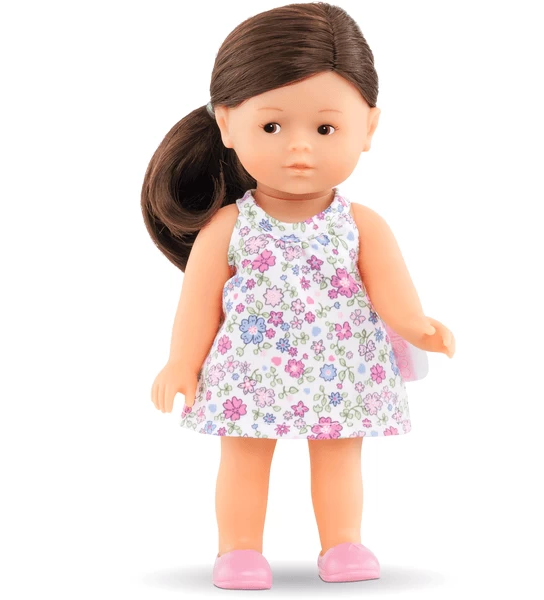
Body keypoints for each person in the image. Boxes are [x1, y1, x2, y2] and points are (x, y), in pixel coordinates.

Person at [142, 1, 455, 590]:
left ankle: (343, 543)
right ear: (227, 123)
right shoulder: (228, 226)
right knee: (244, 456)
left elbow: (391, 294)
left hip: (342, 363)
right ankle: (238, 550)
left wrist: (418, 326)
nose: (300, 148)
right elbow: (199, 304)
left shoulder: (361, 224)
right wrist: (181, 361)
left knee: (339, 457)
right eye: (272, 127)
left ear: (369, 128)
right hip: (251, 368)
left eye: (325, 128)